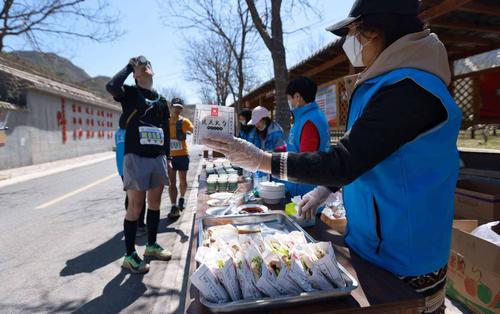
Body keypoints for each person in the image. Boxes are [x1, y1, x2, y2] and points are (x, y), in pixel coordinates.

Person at [201, 0, 461, 312]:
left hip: (406, 256)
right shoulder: (391, 81)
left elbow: (346, 161)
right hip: (374, 243)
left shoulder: (411, 87)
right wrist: (327, 189)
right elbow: (371, 157)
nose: (349, 43)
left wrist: (261, 160)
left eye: (354, 33)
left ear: (377, 29)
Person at [106, 56, 173, 273]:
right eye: (141, 65)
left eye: (149, 63)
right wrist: (128, 66)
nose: (146, 65)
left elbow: (166, 130)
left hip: (158, 158)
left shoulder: (162, 101)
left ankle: (151, 245)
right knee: (135, 206)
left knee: (155, 203)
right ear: (135, 75)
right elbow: (111, 86)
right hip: (136, 157)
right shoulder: (130, 93)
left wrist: (168, 157)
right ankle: (129, 255)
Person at [284, 76, 330, 198]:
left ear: (297, 97)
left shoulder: (309, 121)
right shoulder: (304, 117)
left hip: (305, 192)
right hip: (302, 186)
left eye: (289, 98)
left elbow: (305, 162)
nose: (289, 102)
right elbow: (295, 146)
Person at [115, 126, 147, 236]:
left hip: (123, 169)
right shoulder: (134, 129)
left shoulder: (118, 132)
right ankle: (139, 225)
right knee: (139, 196)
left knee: (130, 196)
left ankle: (132, 223)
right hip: (134, 167)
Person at [167, 97, 194, 219]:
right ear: (171, 107)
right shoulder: (165, 121)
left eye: (180, 107)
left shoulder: (185, 122)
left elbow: (195, 131)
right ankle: (173, 205)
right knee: (171, 183)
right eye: (175, 107)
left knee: (183, 180)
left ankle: (182, 198)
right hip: (170, 157)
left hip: (182, 155)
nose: (177, 109)